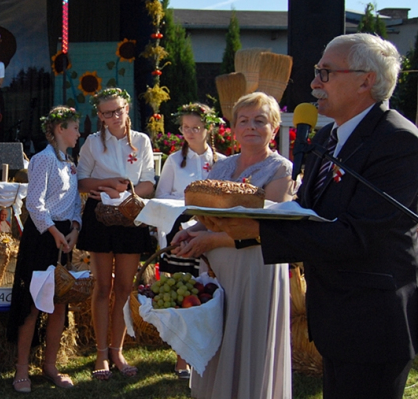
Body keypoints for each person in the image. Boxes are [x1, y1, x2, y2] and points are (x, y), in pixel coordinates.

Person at [214, 33, 418, 399]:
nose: (313, 83)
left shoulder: (399, 141)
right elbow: (307, 214)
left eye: (326, 72)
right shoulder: (326, 140)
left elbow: (359, 234)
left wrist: (258, 231)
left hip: (373, 322)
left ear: (366, 81)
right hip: (334, 316)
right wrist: (238, 223)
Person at [172, 92, 294, 399]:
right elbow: (208, 216)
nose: (251, 126)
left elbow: (271, 229)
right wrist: (191, 232)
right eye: (244, 120)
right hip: (218, 268)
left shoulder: (281, 169)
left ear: (274, 128)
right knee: (218, 334)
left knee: (249, 337)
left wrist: (210, 240)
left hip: (256, 266)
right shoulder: (221, 167)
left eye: (260, 121)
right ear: (234, 128)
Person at [76, 87, 155, 380]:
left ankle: (117, 351)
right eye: (108, 113)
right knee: (102, 287)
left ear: (127, 109)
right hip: (99, 217)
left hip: (131, 216)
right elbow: (81, 181)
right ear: (100, 116)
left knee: (123, 287)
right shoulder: (92, 143)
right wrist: (108, 183)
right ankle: (100, 354)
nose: (114, 117)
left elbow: (148, 183)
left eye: (118, 110)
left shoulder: (142, 141)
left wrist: (126, 194)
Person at [6, 106, 82, 393]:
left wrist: (75, 229)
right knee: (33, 302)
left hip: (63, 236)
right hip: (42, 237)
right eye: (75, 128)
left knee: (59, 301)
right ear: (61, 129)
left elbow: (76, 202)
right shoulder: (43, 159)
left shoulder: (70, 162)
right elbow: (34, 204)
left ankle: (50, 366)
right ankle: (21, 369)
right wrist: (54, 232)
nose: (78, 133)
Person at [154, 102, 225, 379]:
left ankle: (207, 353)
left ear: (208, 128)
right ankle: (182, 358)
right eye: (185, 127)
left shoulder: (221, 162)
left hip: (211, 230)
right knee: (184, 294)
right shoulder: (174, 160)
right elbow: (161, 196)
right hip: (181, 230)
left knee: (207, 291)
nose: (190, 132)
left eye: (196, 127)